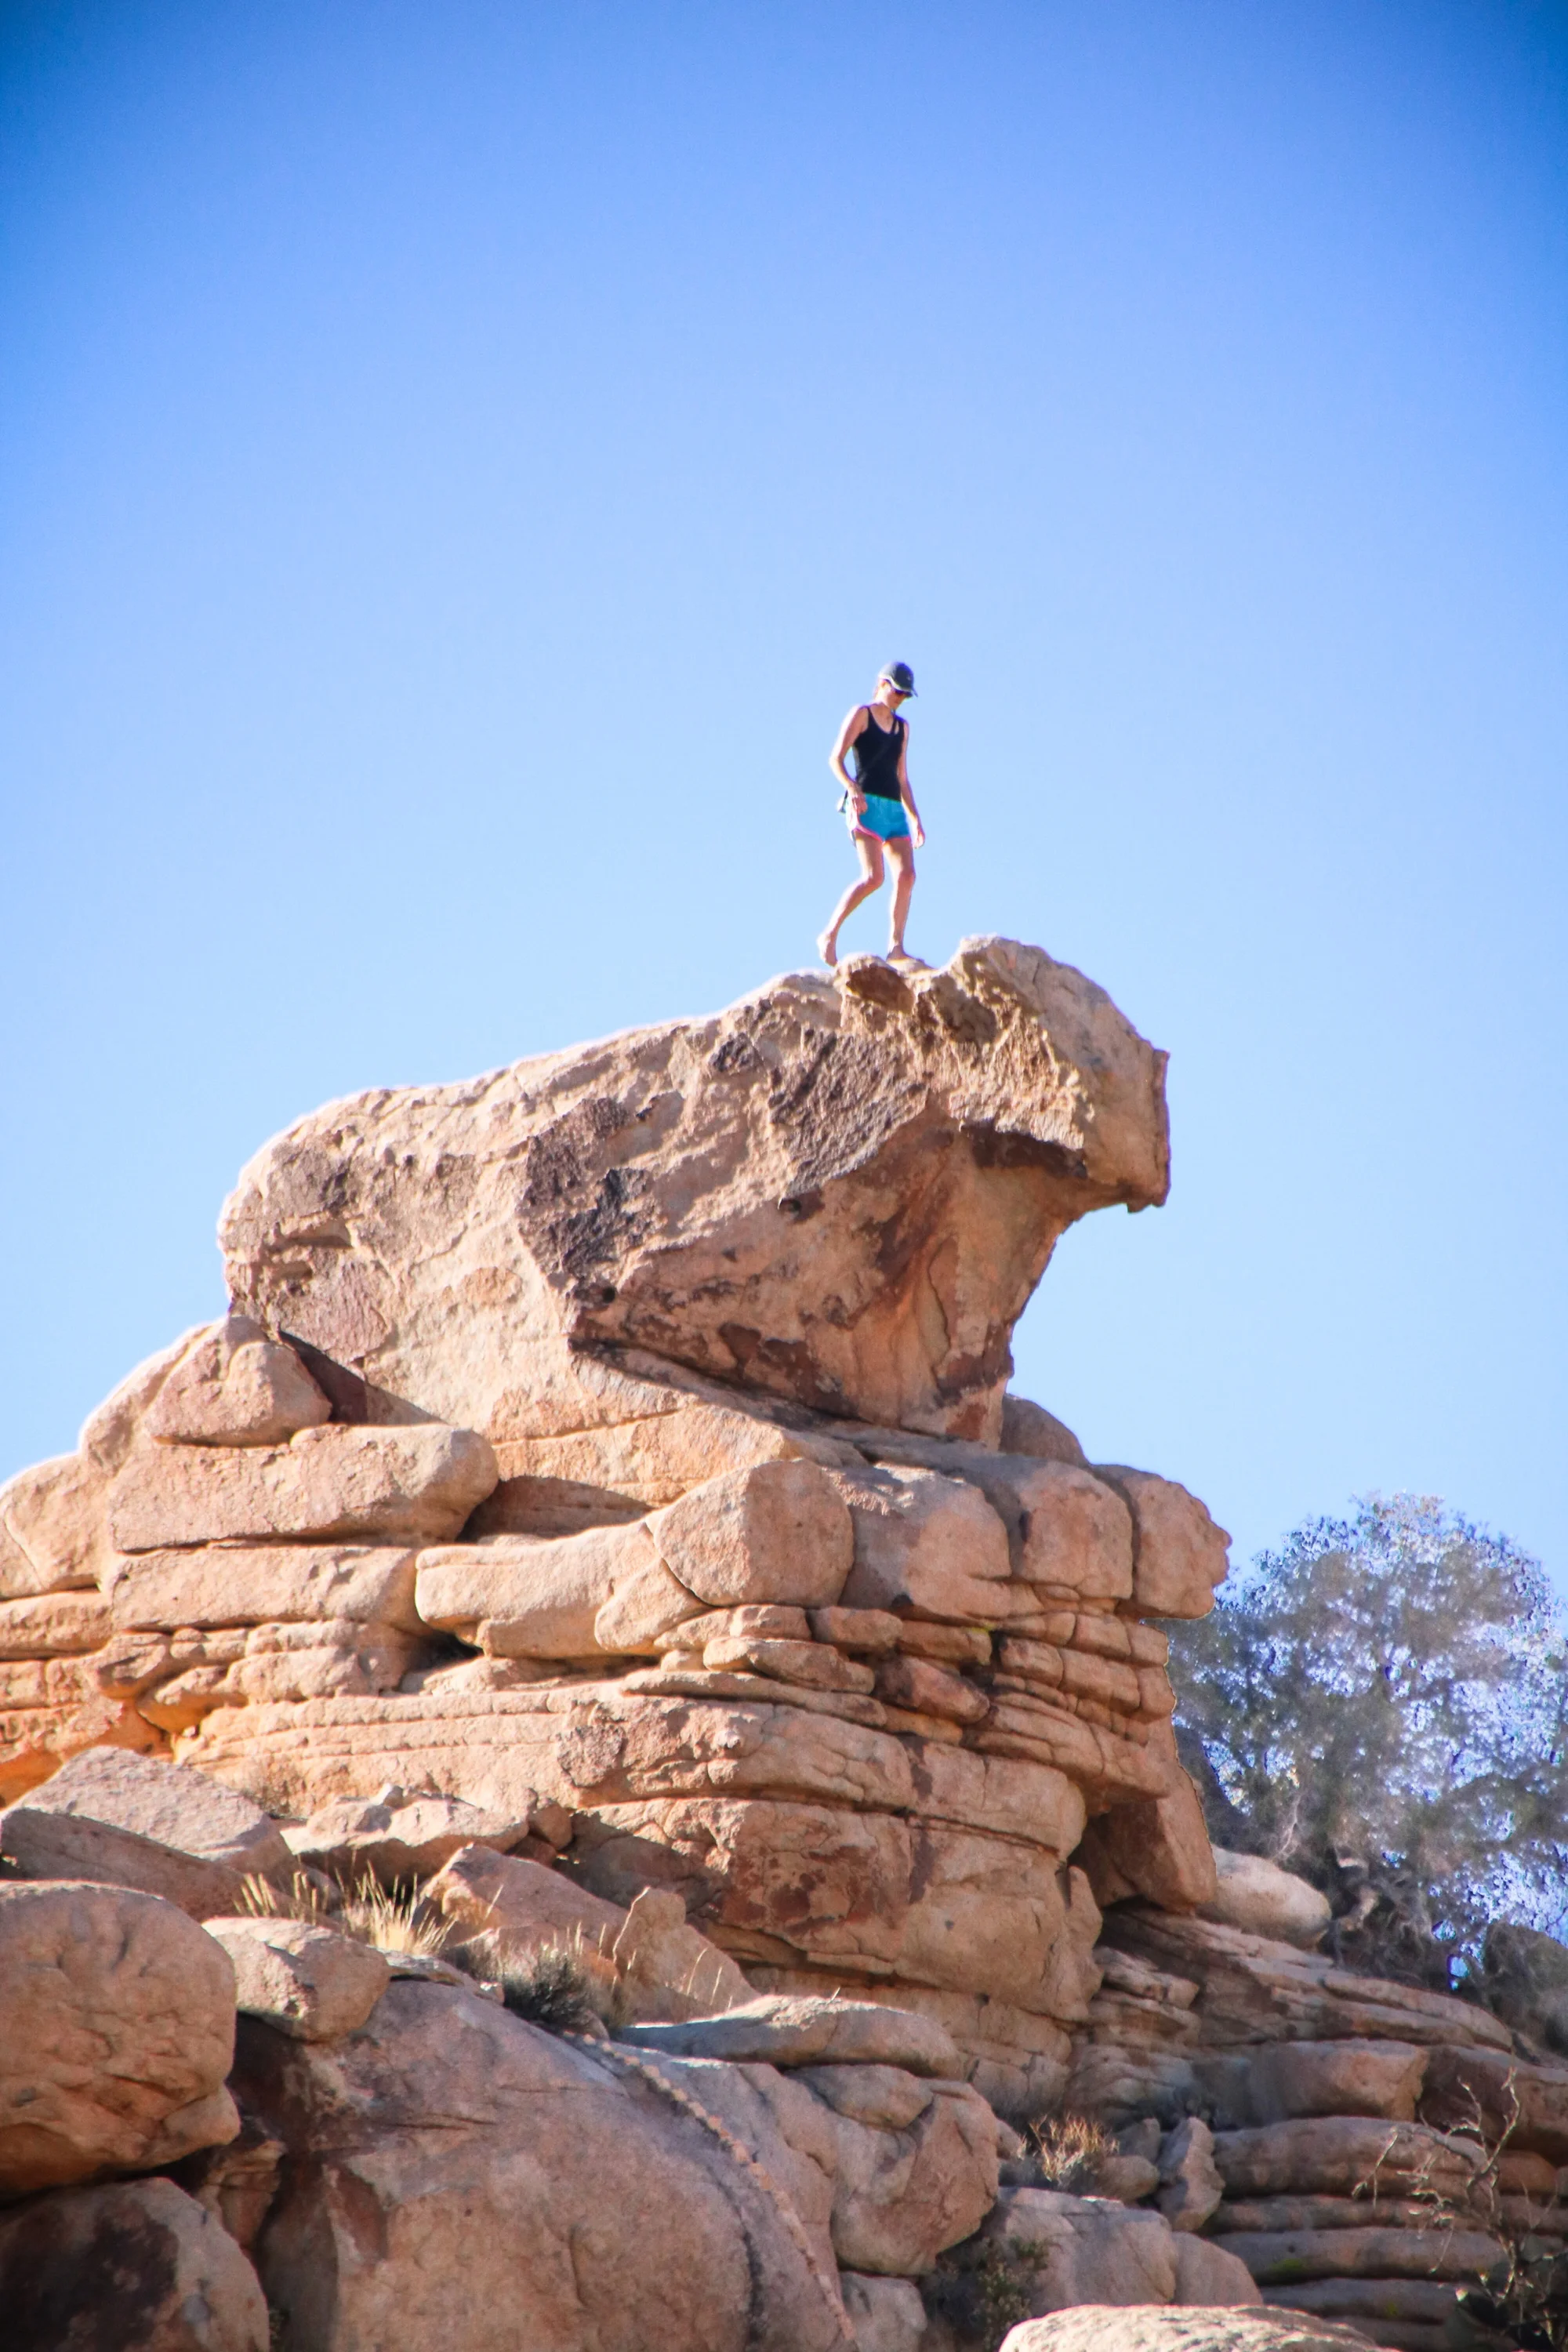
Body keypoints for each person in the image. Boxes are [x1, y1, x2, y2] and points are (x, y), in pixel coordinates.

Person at [817, 661, 927, 967]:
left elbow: (902, 776)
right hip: (865, 806)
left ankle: (896, 948)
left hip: (894, 809)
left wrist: (915, 817)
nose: (900, 698)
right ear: (882, 683)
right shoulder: (861, 715)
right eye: (897, 691)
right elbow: (835, 758)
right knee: (873, 877)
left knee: (907, 875)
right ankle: (830, 933)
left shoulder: (902, 728)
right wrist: (852, 788)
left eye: (905, 695)